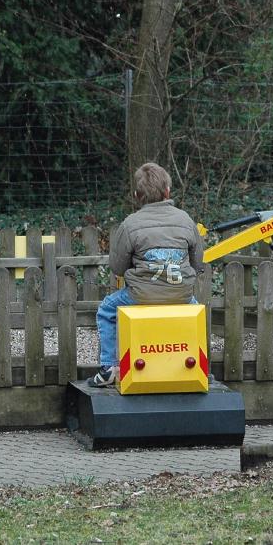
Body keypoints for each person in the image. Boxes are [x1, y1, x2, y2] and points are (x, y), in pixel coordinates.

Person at [89, 162, 206, 387]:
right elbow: (197, 261)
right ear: (167, 191)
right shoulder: (185, 220)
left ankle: (109, 367)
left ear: (137, 196)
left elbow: (117, 267)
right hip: (180, 293)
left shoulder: (130, 224)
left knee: (107, 310)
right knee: (196, 314)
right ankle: (200, 366)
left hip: (140, 295)